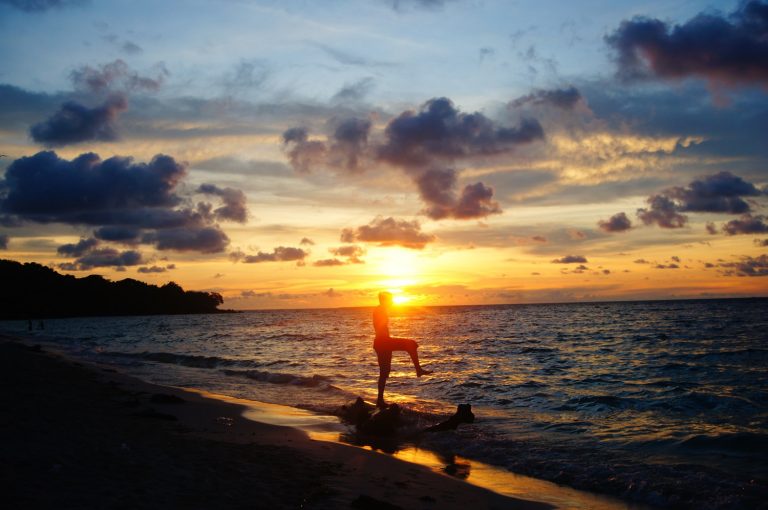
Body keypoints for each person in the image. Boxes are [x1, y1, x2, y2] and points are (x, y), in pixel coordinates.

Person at [373, 291, 431, 408]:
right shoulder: (379, 310)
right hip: (383, 343)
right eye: (390, 300)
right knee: (411, 344)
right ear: (384, 300)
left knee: (384, 372)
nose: (392, 302)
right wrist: (388, 341)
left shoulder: (381, 310)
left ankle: (380, 400)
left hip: (382, 343)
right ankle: (418, 370)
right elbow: (379, 328)